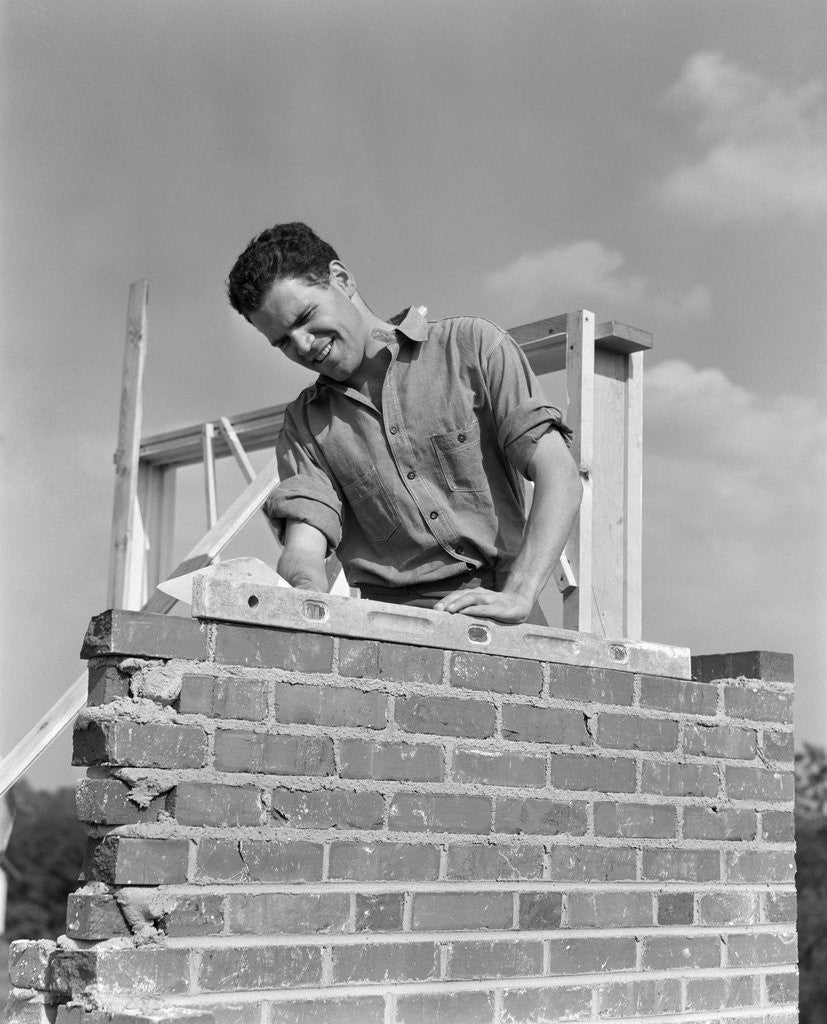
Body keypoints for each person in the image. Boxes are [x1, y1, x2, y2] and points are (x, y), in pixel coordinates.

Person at [227, 222, 582, 625]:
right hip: (388, 634)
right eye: (284, 341)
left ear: (341, 280)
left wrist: (520, 592)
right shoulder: (305, 425)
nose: (304, 345)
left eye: (306, 317)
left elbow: (560, 475)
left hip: (500, 620)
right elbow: (304, 544)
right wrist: (306, 594)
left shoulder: (472, 347)